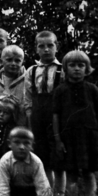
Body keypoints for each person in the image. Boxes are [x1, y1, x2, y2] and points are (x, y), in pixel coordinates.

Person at [53, 50, 98, 196]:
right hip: (69, 137)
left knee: (89, 173)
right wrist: (58, 140)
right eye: (72, 65)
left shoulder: (92, 89)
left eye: (81, 65)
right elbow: (56, 116)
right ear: (66, 68)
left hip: (89, 137)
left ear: (87, 68)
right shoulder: (60, 90)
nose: (77, 69)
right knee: (71, 174)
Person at [24, 30, 62, 187]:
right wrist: (30, 120)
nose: (46, 49)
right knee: (42, 157)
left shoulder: (63, 70)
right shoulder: (31, 71)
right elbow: (27, 99)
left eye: (50, 45)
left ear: (56, 47)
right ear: (36, 49)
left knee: (59, 159)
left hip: (58, 119)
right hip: (38, 118)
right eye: (42, 46)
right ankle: (47, 195)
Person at [0, 127, 51, 196]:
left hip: (31, 191)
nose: (21, 147)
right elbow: (2, 185)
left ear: (32, 145)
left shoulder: (36, 162)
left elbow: (42, 186)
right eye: (17, 142)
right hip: (15, 191)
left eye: (26, 143)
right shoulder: (5, 161)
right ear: (9, 143)